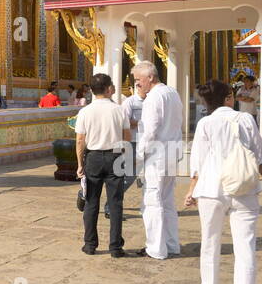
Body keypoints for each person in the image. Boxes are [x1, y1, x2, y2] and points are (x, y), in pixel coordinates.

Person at [183, 79, 262, 284]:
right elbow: (259, 154)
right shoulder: (245, 119)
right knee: (245, 246)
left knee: (210, 241)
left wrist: (191, 190)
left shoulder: (205, 123)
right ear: (228, 98)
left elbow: (198, 162)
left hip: (211, 189)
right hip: (243, 187)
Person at [75, 73, 134, 257]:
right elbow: (127, 137)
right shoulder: (119, 110)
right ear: (109, 89)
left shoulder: (85, 111)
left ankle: (90, 244)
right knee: (115, 202)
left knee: (91, 202)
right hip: (114, 156)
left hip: (93, 157)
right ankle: (115, 247)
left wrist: (80, 164)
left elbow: (80, 140)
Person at [133, 61, 183, 260]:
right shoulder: (172, 93)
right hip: (172, 152)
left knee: (152, 201)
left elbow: (149, 131)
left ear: (150, 77)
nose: (137, 84)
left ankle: (155, 248)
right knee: (167, 200)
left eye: (139, 80)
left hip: (157, 155)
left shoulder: (154, 97)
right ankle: (171, 244)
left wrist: (138, 156)